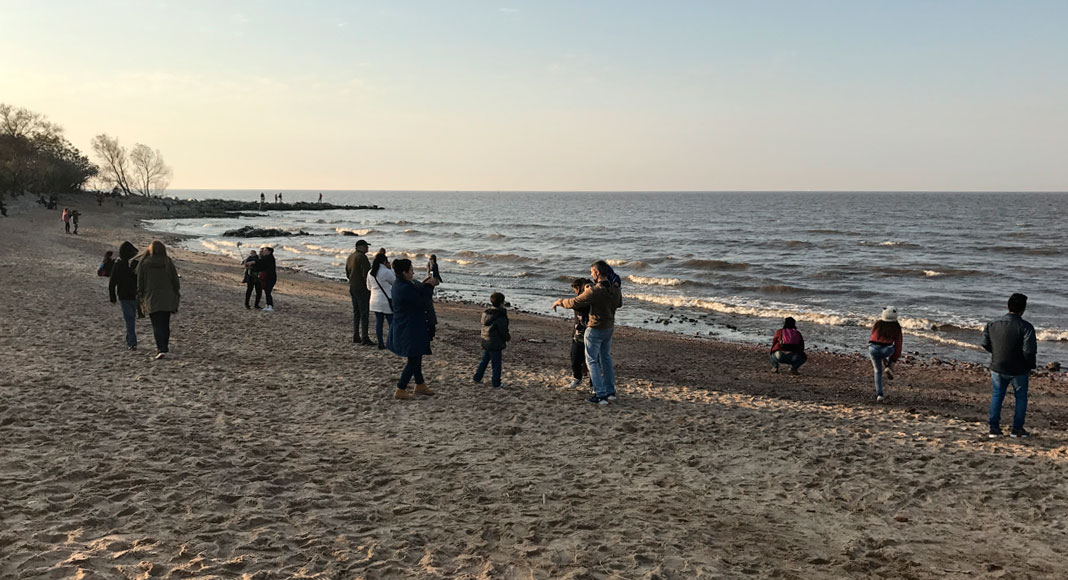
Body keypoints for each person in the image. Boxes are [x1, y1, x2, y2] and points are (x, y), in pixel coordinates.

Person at [552, 260, 624, 405]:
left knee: (592, 361)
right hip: (608, 327)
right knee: (606, 359)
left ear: (597, 273)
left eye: (592, 272)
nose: (591, 275)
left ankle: (600, 394)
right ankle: (610, 392)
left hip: (595, 328)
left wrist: (560, 301)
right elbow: (619, 304)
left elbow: (575, 302)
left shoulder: (594, 291)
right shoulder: (615, 289)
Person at [982, 293, 1037, 438]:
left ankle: (994, 428)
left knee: (997, 395)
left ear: (1008, 306)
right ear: (1023, 309)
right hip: (1018, 369)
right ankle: (1017, 429)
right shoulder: (1026, 327)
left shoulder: (992, 323)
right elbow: (1029, 351)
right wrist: (1030, 366)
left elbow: (985, 343)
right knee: (1020, 398)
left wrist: (997, 353)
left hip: (998, 366)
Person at [386, 258, 440, 399]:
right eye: (411, 270)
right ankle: (401, 388)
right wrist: (429, 287)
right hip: (408, 327)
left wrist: (425, 284)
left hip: (410, 325)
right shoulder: (402, 287)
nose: (413, 272)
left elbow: (416, 292)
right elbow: (421, 301)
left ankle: (420, 384)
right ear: (404, 272)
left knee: (416, 355)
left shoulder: (403, 284)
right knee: (414, 358)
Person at [136, 241, 180, 359]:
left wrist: (140, 295)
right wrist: (176, 292)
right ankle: (164, 347)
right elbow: (175, 280)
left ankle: (160, 348)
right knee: (165, 323)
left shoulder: (144, 264)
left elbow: (140, 282)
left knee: (156, 324)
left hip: (151, 297)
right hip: (167, 296)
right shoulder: (167, 262)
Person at [473, 291, 511, 389]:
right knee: (496, 364)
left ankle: (477, 377)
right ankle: (496, 383)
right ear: (501, 303)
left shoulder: (486, 313)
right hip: (495, 343)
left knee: (484, 361)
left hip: (485, 340)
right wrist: (507, 338)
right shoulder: (500, 316)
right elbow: (503, 331)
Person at [109, 241, 140, 350]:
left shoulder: (118, 264)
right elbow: (140, 280)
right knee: (131, 318)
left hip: (123, 295)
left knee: (129, 319)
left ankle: (132, 342)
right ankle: (130, 339)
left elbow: (112, 282)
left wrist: (112, 296)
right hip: (134, 294)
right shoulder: (135, 264)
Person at [868, 306, 903, 402]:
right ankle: (889, 366)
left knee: (877, 371)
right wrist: (893, 360)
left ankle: (880, 395)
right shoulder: (896, 327)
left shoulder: (877, 324)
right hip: (887, 349)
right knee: (893, 348)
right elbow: (898, 345)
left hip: (872, 348)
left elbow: (874, 337)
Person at [346, 239, 373, 344]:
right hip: (362, 287)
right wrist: (369, 286)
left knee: (356, 312)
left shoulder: (350, 257)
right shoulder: (362, 258)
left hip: (353, 286)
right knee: (364, 313)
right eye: (366, 246)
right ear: (360, 247)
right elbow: (366, 274)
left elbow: (347, 272)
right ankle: (365, 337)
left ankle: (356, 335)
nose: (367, 248)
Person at [367, 250, 395, 350]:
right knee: (391, 322)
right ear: (384, 261)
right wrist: (390, 269)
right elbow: (394, 282)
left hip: (374, 300)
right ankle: (391, 343)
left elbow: (368, 287)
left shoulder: (370, 272)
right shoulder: (386, 272)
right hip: (386, 300)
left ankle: (380, 343)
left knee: (379, 323)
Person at [567, 278, 592, 388]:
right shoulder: (583, 298)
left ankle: (590, 381)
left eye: (575, 290)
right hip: (578, 331)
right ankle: (578, 378)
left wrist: (561, 302)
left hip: (587, 332)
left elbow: (576, 305)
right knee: (576, 357)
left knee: (589, 359)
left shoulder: (587, 298)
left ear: (577, 288)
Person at [254, 246, 277, 312]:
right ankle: (267, 305)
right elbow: (260, 264)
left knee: (268, 291)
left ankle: (270, 306)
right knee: (266, 291)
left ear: (269, 252)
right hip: (266, 277)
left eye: (265, 250)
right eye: (264, 250)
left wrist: (253, 263)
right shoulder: (266, 257)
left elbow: (261, 263)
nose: (264, 251)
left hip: (271, 277)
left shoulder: (270, 258)